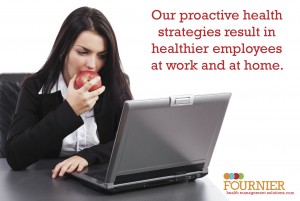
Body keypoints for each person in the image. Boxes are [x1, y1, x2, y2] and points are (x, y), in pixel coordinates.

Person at [5, 6, 133, 178]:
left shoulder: (115, 84)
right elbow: (16, 156)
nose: (92, 64)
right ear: (63, 49)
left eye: (102, 55)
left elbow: (131, 140)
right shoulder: (34, 87)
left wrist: (88, 156)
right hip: (46, 181)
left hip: (98, 178)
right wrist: (70, 110)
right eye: (83, 52)